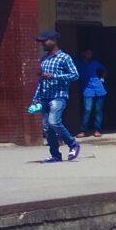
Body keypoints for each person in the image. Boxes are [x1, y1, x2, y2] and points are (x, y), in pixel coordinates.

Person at [31, 30, 81, 162]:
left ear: (53, 41)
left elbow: (75, 75)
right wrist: (35, 98)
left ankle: (73, 144)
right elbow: (41, 81)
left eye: (44, 41)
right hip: (45, 97)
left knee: (54, 121)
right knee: (47, 127)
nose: (42, 44)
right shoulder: (44, 59)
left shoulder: (64, 57)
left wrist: (55, 76)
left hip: (59, 96)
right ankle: (55, 154)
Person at [78, 47, 107, 138]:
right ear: (83, 53)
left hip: (99, 88)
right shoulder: (78, 63)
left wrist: (102, 78)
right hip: (87, 89)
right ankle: (83, 130)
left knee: (98, 110)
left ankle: (97, 130)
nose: (89, 55)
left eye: (90, 53)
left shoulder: (95, 63)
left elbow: (104, 70)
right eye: (87, 53)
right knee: (88, 109)